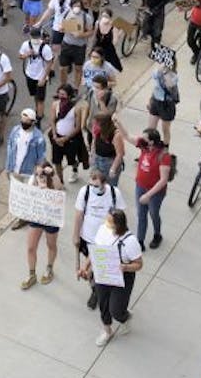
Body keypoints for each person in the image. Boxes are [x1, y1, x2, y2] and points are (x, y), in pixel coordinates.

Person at [87, 208, 143, 346]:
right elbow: (95, 248)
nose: (106, 223)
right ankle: (107, 330)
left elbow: (139, 264)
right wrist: (86, 266)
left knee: (116, 310)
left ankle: (124, 316)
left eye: (109, 222)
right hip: (103, 272)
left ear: (118, 225)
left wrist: (126, 267)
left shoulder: (130, 242)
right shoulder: (102, 230)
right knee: (103, 304)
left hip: (122, 276)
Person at [73, 165, 126, 310]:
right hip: (88, 238)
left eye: (96, 185)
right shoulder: (85, 192)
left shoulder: (115, 194)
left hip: (106, 242)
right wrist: (75, 235)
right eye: (91, 184)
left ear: (104, 183)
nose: (93, 187)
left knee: (98, 269)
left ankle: (99, 291)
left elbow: (121, 216)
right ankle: (94, 290)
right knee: (90, 268)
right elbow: (79, 215)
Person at [20, 163, 64, 290]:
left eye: (43, 173)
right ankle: (31, 274)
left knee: (51, 245)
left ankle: (49, 269)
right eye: (37, 174)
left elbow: (60, 188)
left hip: (51, 218)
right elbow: (26, 194)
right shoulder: (33, 181)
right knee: (30, 247)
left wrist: (53, 174)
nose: (40, 176)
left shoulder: (52, 181)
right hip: (37, 217)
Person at [5, 107, 49, 229]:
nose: (23, 123)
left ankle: (24, 218)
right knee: (16, 195)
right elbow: (10, 147)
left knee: (27, 196)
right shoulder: (15, 131)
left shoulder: (38, 137)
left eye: (26, 121)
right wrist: (8, 167)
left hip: (29, 172)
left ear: (32, 122)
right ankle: (21, 216)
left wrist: (38, 170)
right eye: (22, 120)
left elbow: (41, 156)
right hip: (15, 169)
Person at [133, 127, 173, 250]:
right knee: (141, 214)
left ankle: (157, 234)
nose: (141, 139)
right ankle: (140, 241)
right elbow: (128, 137)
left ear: (151, 141)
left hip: (155, 193)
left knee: (153, 213)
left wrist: (148, 195)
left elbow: (163, 180)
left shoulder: (164, 156)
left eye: (144, 137)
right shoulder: (144, 148)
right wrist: (118, 124)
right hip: (140, 186)